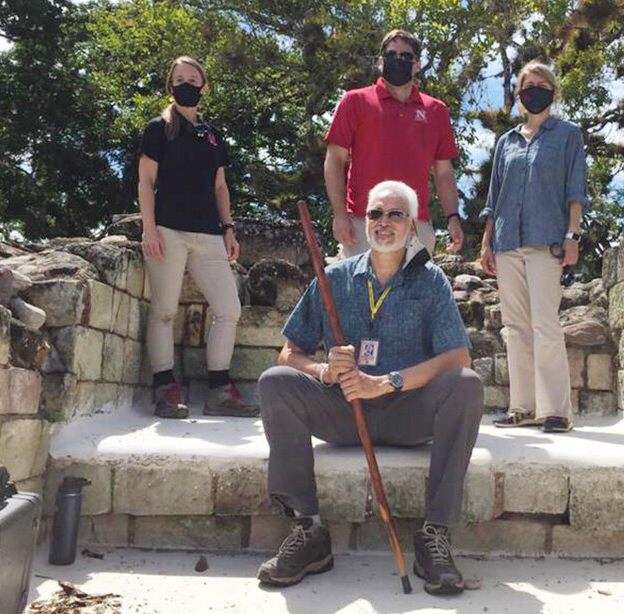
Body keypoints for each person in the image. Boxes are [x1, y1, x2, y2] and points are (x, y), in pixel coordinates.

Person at [257, 180, 483, 595]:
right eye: (376, 213)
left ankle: (434, 535)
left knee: (466, 386)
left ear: (411, 226)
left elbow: (458, 358)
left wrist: (386, 382)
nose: (383, 222)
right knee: (276, 384)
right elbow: (288, 354)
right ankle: (309, 532)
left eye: (395, 214)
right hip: (345, 409)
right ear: (365, 222)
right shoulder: (335, 277)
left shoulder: (430, 281)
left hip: (407, 410)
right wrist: (324, 370)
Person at [137, 56, 257, 419]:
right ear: (170, 86)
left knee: (229, 309)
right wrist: (149, 228)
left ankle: (220, 389)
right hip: (169, 231)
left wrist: (229, 228)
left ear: (204, 87)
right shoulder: (158, 128)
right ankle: (165, 388)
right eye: (179, 79)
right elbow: (145, 181)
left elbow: (220, 186)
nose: (186, 84)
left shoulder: (213, 135)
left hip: (209, 235)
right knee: (164, 311)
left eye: (193, 78)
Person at [478, 60, 588, 434]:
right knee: (515, 327)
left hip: (547, 242)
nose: (534, 89)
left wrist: (572, 237)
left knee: (545, 324)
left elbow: (576, 192)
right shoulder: (505, 142)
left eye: (542, 84)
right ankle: (521, 408)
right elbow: (495, 197)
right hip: (506, 241)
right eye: (528, 84)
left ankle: (556, 411)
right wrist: (486, 241)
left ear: (553, 92)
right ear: (520, 95)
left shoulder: (568, 135)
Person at [324, 29, 464, 258]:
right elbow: (334, 160)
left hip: (415, 227)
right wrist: (340, 215)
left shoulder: (436, 110)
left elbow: (444, 172)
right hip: (364, 224)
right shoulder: (355, 101)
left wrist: (453, 217)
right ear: (380, 61)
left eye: (406, 56)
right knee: (361, 294)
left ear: (417, 64)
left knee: (413, 295)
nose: (398, 60)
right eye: (391, 54)